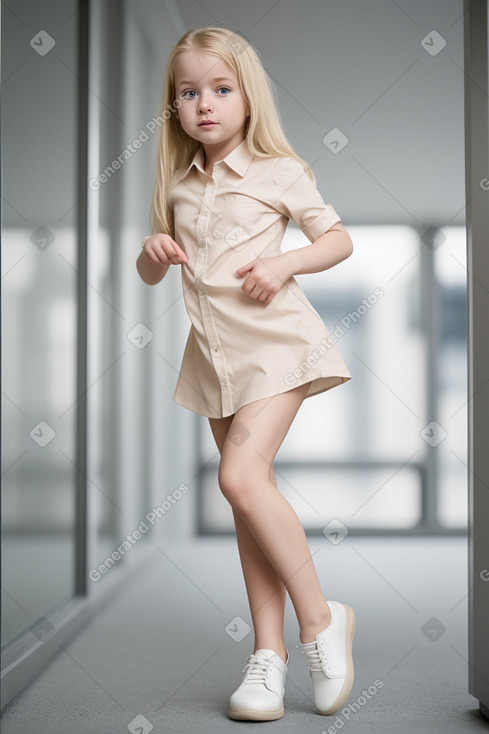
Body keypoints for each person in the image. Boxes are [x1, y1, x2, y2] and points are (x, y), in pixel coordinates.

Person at [136, 26, 355, 722]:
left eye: (220, 89)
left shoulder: (278, 171)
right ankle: (269, 655)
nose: (204, 104)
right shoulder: (174, 184)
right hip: (215, 360)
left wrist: (284, 264)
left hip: (277, 348)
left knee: (238, 477)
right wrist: (152, 249)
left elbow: (336, 239)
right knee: (246, 500)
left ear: (246, 97)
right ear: (173, 107)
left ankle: (319, 622)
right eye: (188, 92)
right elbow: (151, 273)